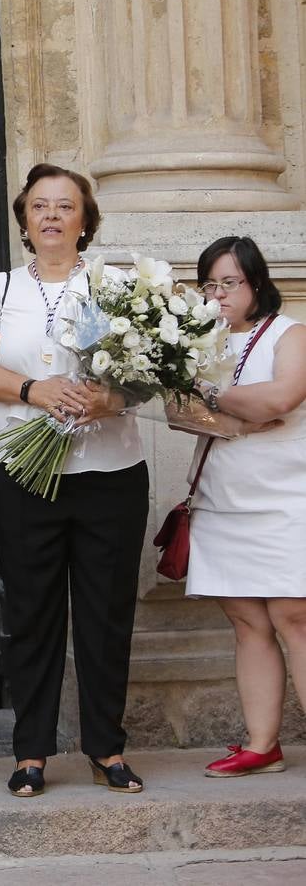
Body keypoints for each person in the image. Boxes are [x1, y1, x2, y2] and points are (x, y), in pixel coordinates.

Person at [0, 163, 148, 798]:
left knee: (104, 614)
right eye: (39, 206)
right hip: (24, 473)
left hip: (109, 471)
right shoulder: (1, 286)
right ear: (23, 220)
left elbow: (144, 371)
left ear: (84, 220)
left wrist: (110, 400)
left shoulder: (114, 286)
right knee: (32, 613)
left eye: (65, 206)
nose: (51, 216)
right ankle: (32, 752)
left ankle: (107, 747)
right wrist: (32, 390)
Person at [183, 236, 306, 777]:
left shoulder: (290, 333)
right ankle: (262, 745)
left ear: (257, 282)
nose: (218, 294)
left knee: (293, 615)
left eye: (229, 282)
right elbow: (176, 409)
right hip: (222, 498)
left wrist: (212, 398)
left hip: (284, 496)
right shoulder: (196, 345)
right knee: (246, 620)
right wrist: (240, 415)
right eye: (209, 284)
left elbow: (282, 398)